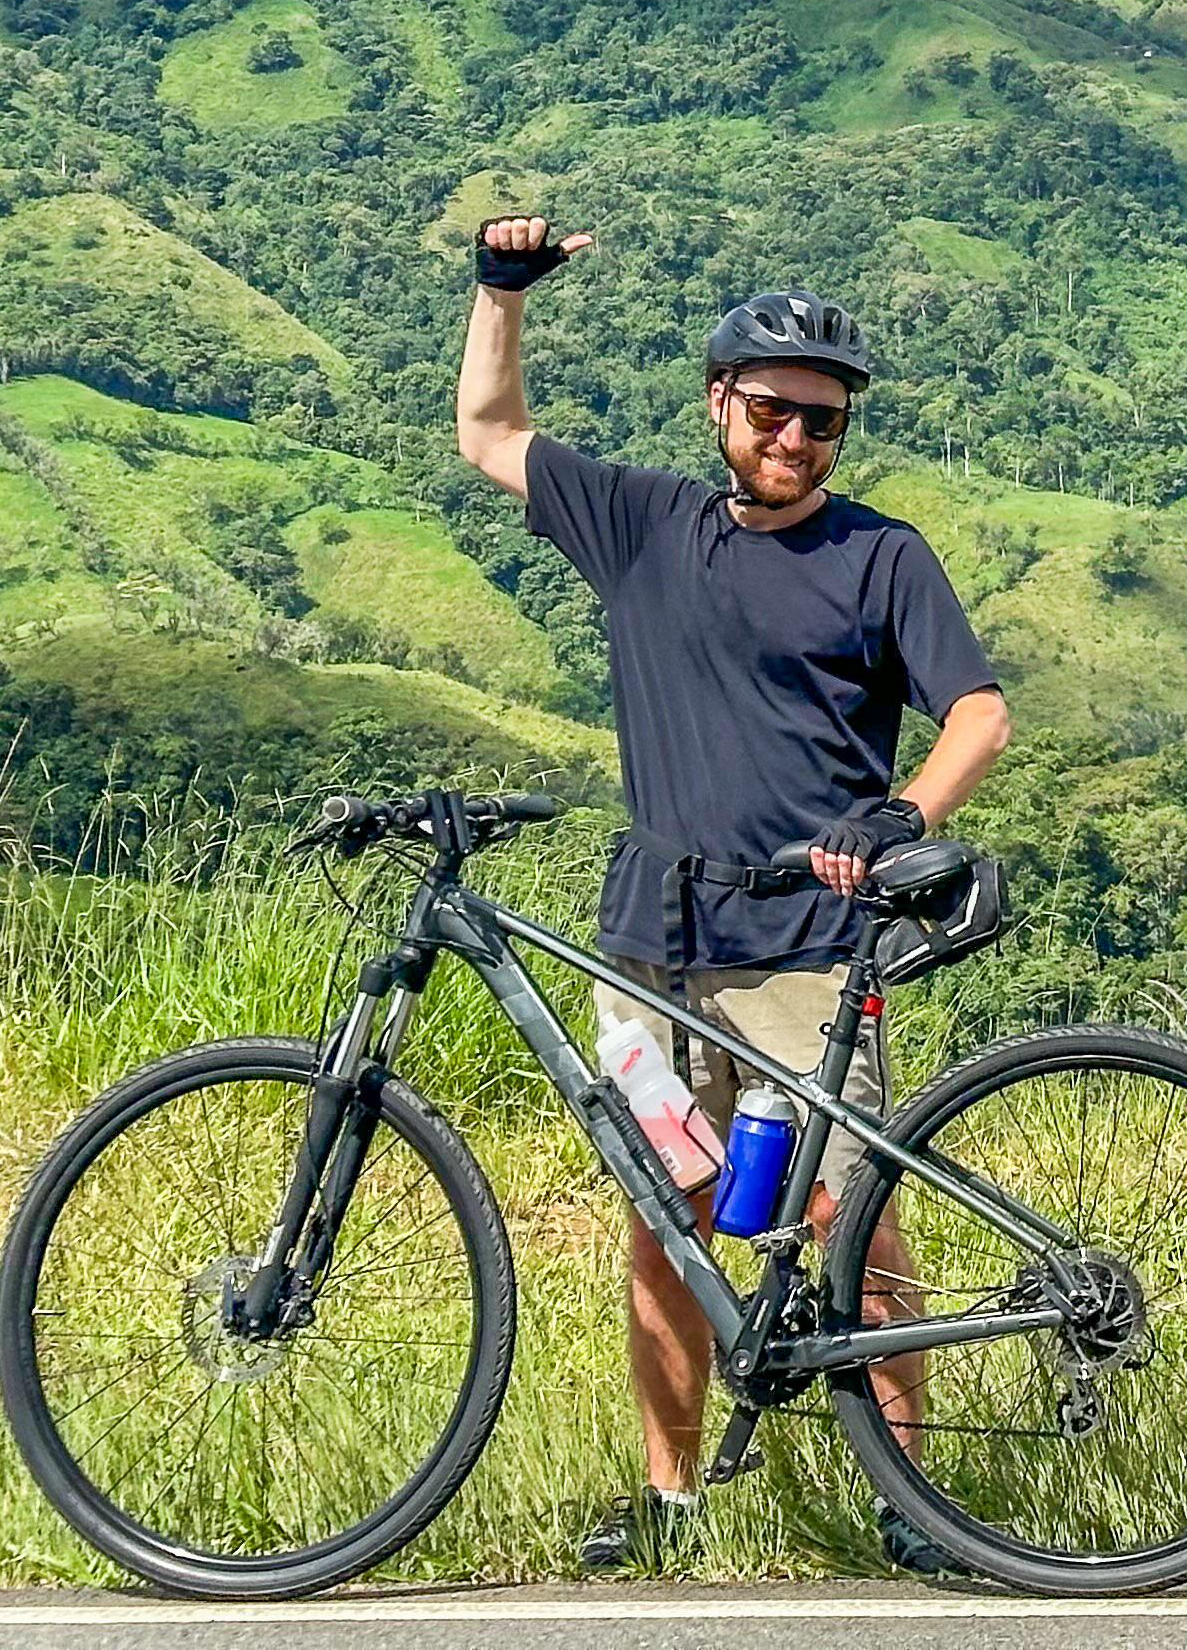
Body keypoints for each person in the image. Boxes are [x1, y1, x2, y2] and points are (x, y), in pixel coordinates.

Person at [454, 216, 1010, 1576]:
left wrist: (899, 819)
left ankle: (909, 1503)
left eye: (822, 423)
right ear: (719, 404)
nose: (796, 440)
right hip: (655, 937)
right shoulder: (643, 525)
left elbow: (979, 717)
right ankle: (669, 1506)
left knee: (841, 1217)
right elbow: (487, 431)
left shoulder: (882, 558)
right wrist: (499, 290)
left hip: (808, 943)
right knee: (668, 1218)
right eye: (772, 411)